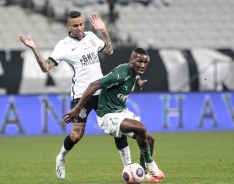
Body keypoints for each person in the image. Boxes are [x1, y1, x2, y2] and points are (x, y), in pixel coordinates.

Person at [19, 10, 137, 180]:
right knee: (77, 135)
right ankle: (60, 158)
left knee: (117, 129)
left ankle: (128, 168)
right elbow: (46, 67)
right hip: (82, 95)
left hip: (102, 92)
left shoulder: (91, 37)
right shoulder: (64, 45)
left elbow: (109, 50)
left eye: (81, 24)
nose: (80, 28)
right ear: (68, 26)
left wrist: (103, 30)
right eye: (75, 25)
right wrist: (34, 49)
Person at [63, 48, 164, 182]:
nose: (143, 65)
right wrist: (78, 108)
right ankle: (150, 164)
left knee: (149, 139)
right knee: (140, 127)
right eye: (139, 61)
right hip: (107, 115)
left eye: (145, 62)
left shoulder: (135, 72)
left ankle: (144, 174)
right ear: (131, 61)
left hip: (121, 111)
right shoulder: (121, 74)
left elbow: (135, 75)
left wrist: (138, 81)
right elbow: (94, 85)